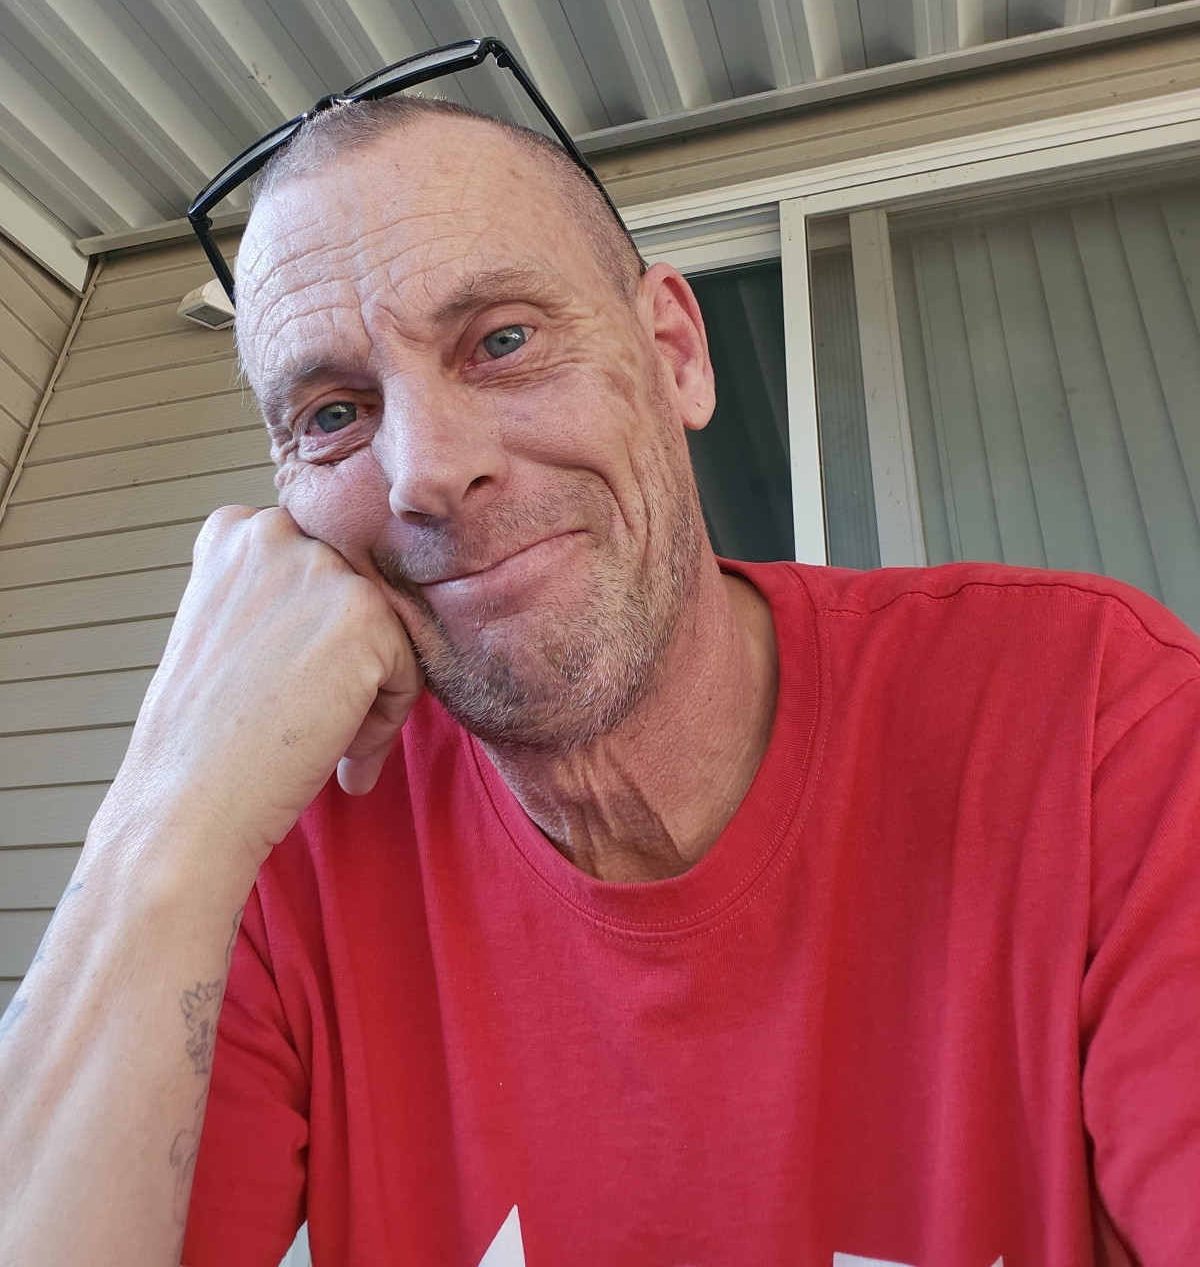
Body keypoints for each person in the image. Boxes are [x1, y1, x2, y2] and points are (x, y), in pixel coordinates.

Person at [1, 95, 1198, 1267]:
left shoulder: (1088, 715)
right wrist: (164, 814)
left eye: (503, 340)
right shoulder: (281, 847)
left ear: (674, 354)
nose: (428, 471)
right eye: (332, 414)